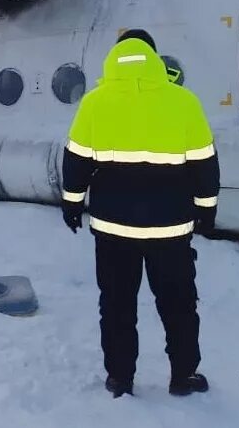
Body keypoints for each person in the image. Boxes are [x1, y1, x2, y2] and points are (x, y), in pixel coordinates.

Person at [61, 29, 219, 399]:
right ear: (153, 56)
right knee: (178, 304)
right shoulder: (183, 101)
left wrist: (72, 203)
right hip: (170, 229)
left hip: (113, 230)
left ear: (116, 57)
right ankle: (183, 376)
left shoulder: (95, 102)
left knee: (116, 305)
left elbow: (76, 160)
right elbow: (205, 163)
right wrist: (206, 209)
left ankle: (120, 378)